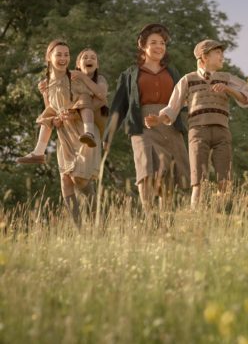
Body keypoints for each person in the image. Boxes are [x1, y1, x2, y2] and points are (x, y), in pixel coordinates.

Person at [145, 39, 248, 209]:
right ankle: (197, 218)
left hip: (222, 132)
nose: (222, 56)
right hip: (198, 132)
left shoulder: (227, 78)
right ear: (204, 57)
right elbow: (172, 107)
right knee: (198, 182)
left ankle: (221, 217)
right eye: (217, 53)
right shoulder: (188, 80)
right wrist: (158, 119)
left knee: (224, 181)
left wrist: (229, 90)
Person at [103, 23, 190, 210]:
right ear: (143, 45)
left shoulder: (172, 72)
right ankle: (149, 216)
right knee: (146, 169)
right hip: (141, 127)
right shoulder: (130, 74)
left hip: (169, 125)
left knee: (168, 173)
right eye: (154, 42)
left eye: (162, 43)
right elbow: (119, 106)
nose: (159, 46)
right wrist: (107, 137)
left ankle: (165, 217)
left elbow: (183, 102)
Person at [31, 39, 100, 227]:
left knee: (79, 178)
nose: (63, 58)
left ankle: (96, 222)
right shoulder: (46, 84)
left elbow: (97, 98)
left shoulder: (75, 78)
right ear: (49, 57)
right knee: (65, 180)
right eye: (58, 54)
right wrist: (56, 120)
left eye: (66, 54)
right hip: (65, 134)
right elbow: (50, 112)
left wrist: (73, 112)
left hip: (83, 133)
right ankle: (79, 229)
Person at [16, 49, 106, 166]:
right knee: (49, 113)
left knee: (84, 97)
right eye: (85, 57)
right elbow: (55, 98)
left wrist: (83, 78)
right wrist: (46, 90)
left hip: (87, 121)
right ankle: (39, 151)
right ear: (78, 64)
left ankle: (89, 133)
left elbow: (102, 95)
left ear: (97, 64)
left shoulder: (99, 79)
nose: (89, 59)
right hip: (69, 120)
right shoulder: (72, 77)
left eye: (93, 58)